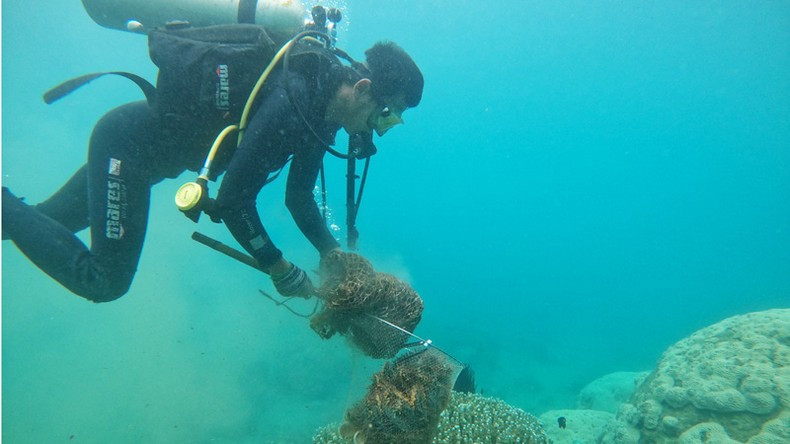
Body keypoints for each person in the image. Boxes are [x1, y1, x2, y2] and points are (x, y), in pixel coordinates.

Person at [2, 39, 424, 302]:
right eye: (386, 114)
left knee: (38, 222)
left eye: (393, 122)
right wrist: (277, 266)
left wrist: (329, 252)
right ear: (365, 89)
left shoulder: (322, 112)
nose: (381, 130)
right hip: (126, 149)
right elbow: (235, 201)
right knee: (106, 280)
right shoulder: (292, 99)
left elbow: (299, 197)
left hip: (142, 156)